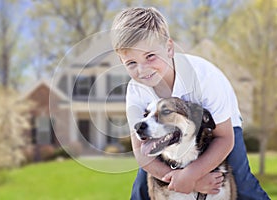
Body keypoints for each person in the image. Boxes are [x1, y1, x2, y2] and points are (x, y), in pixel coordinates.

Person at [111, 7, 269, 200]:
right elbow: (141, 151)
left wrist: (192, 174)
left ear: (169, 48)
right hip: (163, 133)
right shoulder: (136, 91)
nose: (142, 70)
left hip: (221, 126)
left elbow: (225, 138)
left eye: (150, 56)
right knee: (141, 190)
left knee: (243, 185)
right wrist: (186, 181)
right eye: (131, 63)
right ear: (122, 61)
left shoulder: (205, 77)